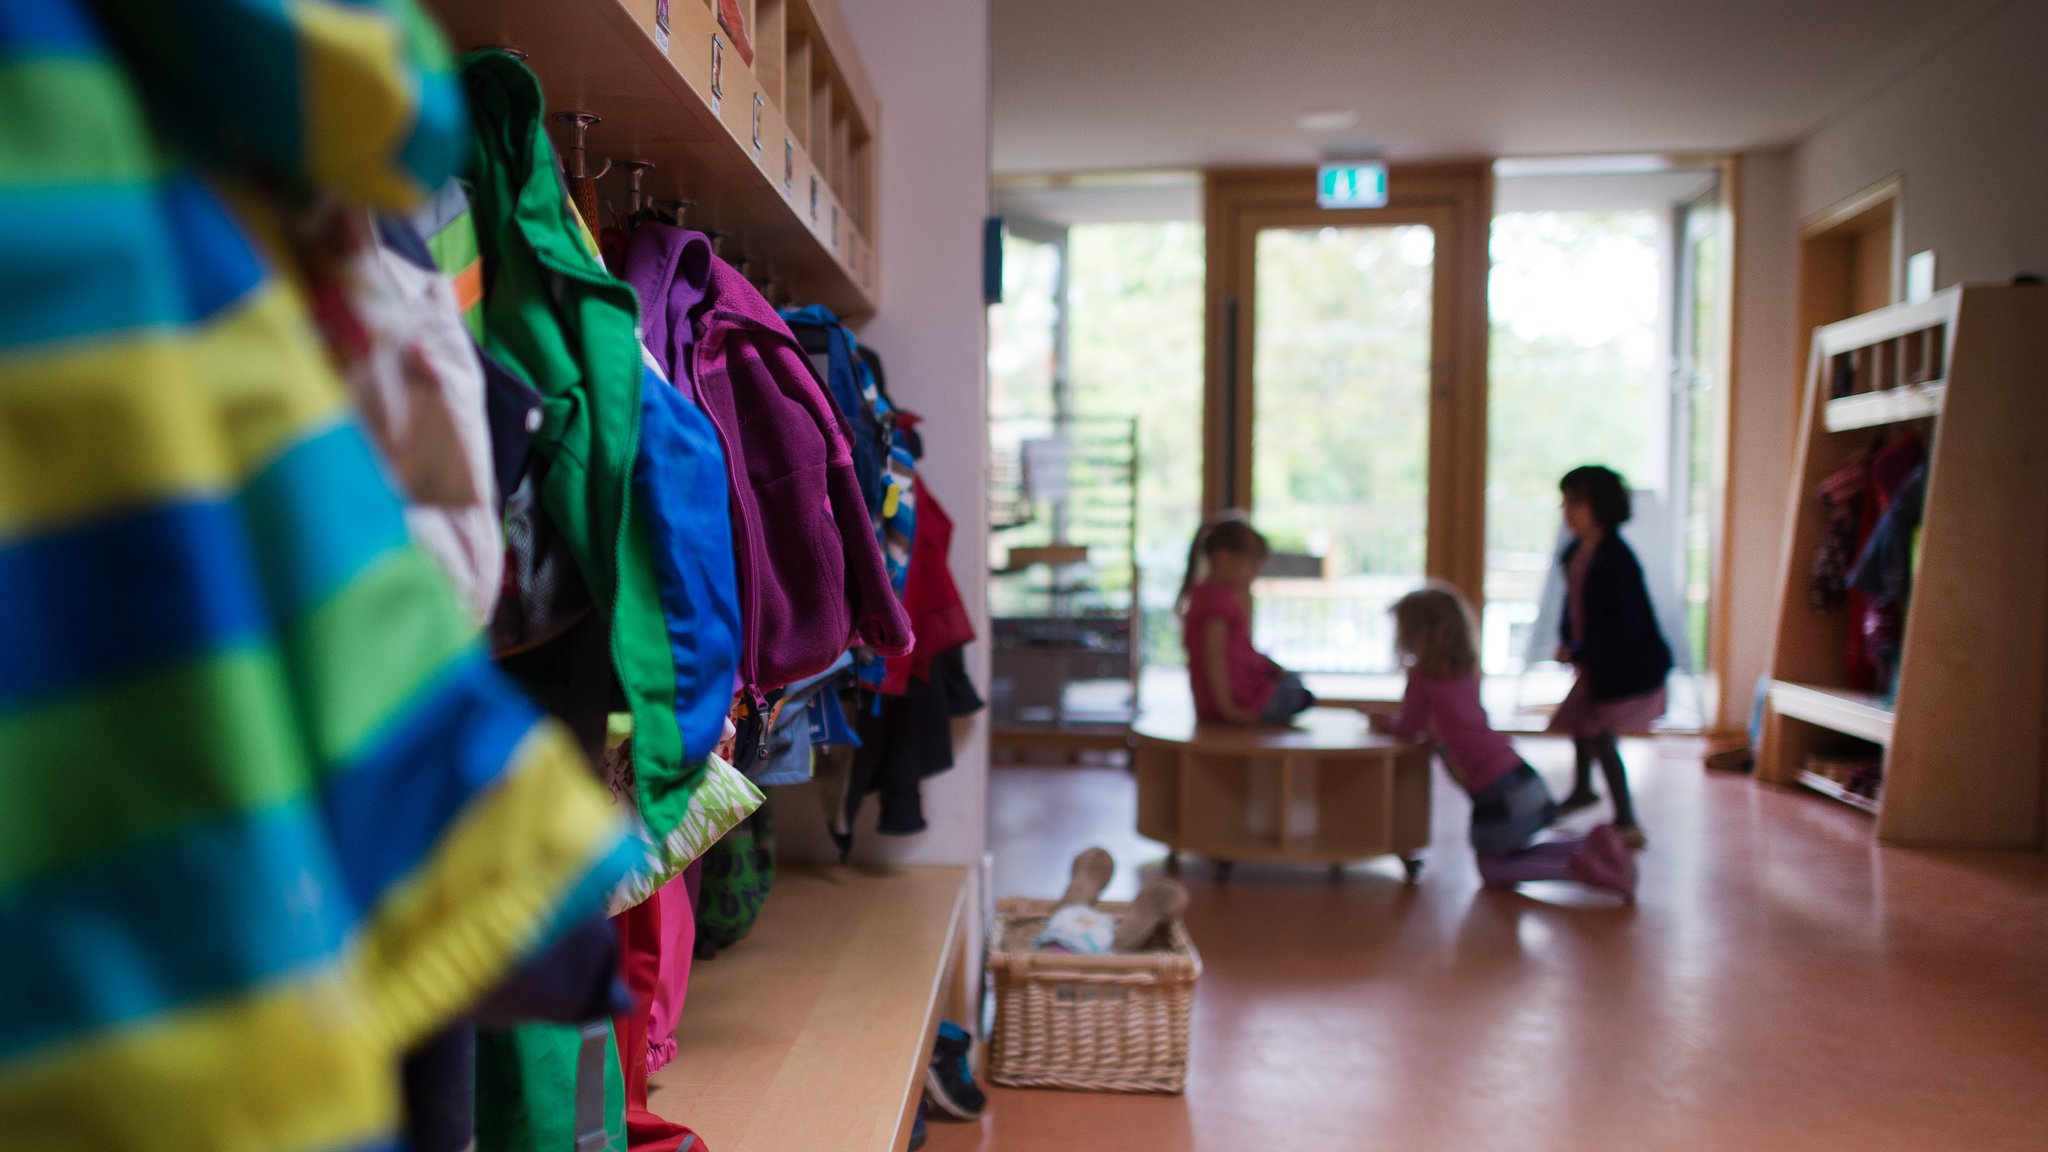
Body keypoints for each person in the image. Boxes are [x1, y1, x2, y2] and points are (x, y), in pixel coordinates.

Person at [1373, 584, 1636, 899]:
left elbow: (1409, 727)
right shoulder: (1462, 671)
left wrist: (1380, 721)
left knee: (1493, 870)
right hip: (1519, 776)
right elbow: (1452, 723)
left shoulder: (1423, 679)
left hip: (1495, 792)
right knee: (1515, 852)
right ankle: (1587, 846)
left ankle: (1574, 869)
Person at [1550, 466, 1673, 850]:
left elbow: (1625, 622)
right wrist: (1569, 639)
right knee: (1578, 723)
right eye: (1565, 503)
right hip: (1596, 662)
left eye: (1576, 503)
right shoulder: (1574, 553)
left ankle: (1626, 819)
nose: (1567, 511)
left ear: (1601, 506)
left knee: (1600, 734)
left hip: (1623, 665)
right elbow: (1571, 605)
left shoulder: (1617, 559)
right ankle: (1584, 788)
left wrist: (1585, 649)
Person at [1177, 513, 1314, 726]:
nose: (1252, 576)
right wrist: (1228, 710)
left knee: (1293, 680)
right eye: (1251, 567)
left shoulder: (1205, 595)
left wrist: (1269, 665)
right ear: (1224, 556)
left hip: (1219, 702)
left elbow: (1235, 651)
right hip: (1236, 701)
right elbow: (1215, 659)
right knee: (1297, 691)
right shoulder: (1217, 601)